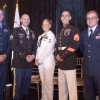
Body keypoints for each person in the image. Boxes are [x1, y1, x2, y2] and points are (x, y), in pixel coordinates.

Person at [10, 14, 36, 100]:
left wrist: (33, 55)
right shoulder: (16, 31)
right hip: (19, 63)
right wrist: (25, 56)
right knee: (18, 85)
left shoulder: (32, 32)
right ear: (21, 20)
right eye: (24, 19)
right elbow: (14, 46)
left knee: (26, 85)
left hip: (29, 63)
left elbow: (34, 46)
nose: (26, 20)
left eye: (28, 19)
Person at [56, 10, 80, 100]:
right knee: (62, 89)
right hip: (61, 65)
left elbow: (74, 46)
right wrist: (56, 55)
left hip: (69, 63)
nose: (65, 17)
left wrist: (61, 56)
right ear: (61, 18)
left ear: (70, 18)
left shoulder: (74, 29)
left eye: (67, 15)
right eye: (63, 15)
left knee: (72, 90)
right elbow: (57, 46)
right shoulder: (60, 31)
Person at [80, 10, 100, 100]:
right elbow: (82, 50)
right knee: (89, 94)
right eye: (88, 18)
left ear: (97, 19)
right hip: (87, 70)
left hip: (98, 70)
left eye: (92, 18)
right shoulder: (83, 34)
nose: (90, 20)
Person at [35, 19, 56, 100]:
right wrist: (36, 59)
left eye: (46, 24)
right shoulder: (40, 36)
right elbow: (38, 49)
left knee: (48, 83)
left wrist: (39, 60)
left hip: (48, 63)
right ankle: (44, 98)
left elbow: (48, 50)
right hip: (40, 63)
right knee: (43, 82)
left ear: (50, 26)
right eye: (43, 24)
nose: (44, 26)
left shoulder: (51, 35)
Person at [0, 8, 10, 100]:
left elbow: (9, 44)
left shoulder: (7, 29)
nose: (0, 16)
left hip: (3, 59)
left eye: (1, 14)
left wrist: (5, 55)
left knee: (2, 82)